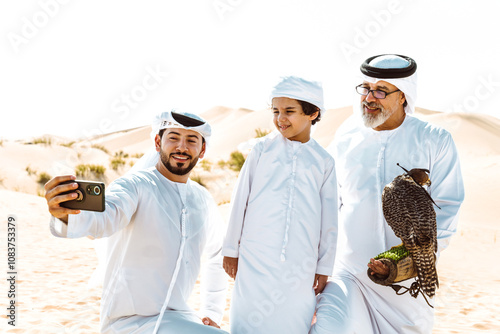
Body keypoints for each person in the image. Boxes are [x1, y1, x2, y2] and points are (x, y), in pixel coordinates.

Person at [310, 54, 465, 334]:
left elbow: (448, 206)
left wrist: (414, 263)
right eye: (366, 89)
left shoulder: (434, 139)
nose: (369, 98)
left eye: (381, 90)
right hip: (351, 274)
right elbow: (328, 204)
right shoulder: (346, 137)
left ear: (403, 96)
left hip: (407, 284)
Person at [45, 110, 228, 334]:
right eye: (173, 138)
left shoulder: (203, 199)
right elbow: (105, 218)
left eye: (191, 140)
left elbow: (216, 255)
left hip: (180, 319)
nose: (182, 147)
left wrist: (212, 311)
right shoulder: (134, 185)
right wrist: (65, 215)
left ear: (202, 150)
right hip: (130, 323)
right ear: (157, 142)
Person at [222, 76, 338, 333]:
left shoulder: (324, 161)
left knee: (292, 319)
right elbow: (239, 200)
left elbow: (329, 220)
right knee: (247, 319)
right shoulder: (261, 150)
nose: (280, 119)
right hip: (254, 256)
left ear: (313, 113)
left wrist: (324, 266)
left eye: (289, 111)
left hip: (301, 264)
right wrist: (231, 248)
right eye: (275, 111)